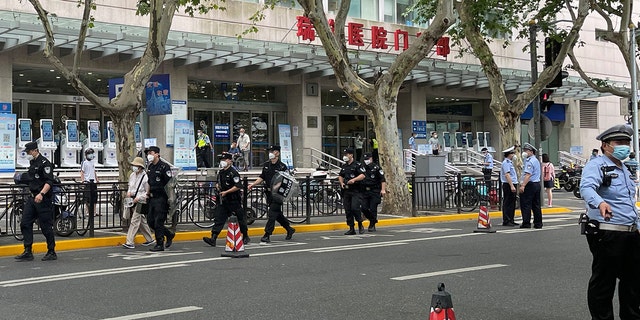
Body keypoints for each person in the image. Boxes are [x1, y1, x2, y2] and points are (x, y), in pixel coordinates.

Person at [579, 124, 640, 320]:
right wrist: (600, 202)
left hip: (630, 232)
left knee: (633, 281)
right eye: (619, 142)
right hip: (608, 231)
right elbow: (586, 188)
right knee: (604, 282)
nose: (624, 146)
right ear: (605, 145)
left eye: (626, 143)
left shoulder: (625, 168)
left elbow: (629, 201)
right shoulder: (597, 165)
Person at [15, 141, 57, 261]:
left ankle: (51, 251)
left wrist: (42, 194)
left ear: (34, 150)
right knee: (25, 223)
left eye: (28, 152)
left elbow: (49, 181)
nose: (27, 154)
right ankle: (28, 250)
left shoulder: (45, 163)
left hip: (42, 199)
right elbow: (31, 178)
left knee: (45, 227)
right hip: (32, 198)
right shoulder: (32, 163)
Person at [248, 145, 295, 243]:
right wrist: (253, 184)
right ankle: (289, 229)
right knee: (277, 214)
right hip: (268, 193)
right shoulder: (266, 165)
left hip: (278, 194)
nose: (270, 153)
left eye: (272, 151)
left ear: (277, 153)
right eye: (269, 151)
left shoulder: (282, 166)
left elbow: (286, 180)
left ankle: (267, 234)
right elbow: (262, 177)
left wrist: (277, 185)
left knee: (272, 214)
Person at [203, 153, 250, 246]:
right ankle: (213, 238)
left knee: (240, 218)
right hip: (223, 200)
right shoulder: (221, 172)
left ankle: (245, 235)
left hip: (233, 200)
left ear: (229, 161)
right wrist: (217, 186)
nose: (222, 162)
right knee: (219, 219)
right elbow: (218, 183)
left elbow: (238, 186)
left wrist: (227, 192)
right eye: (222, 160)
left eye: (224, 160)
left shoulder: (233, 173)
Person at [144, 146, 175, 252]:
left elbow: (170, 184)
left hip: (161, 198)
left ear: (157, 154)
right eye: (148, 153)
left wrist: (170, 199)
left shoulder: (164, 167)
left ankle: (160, 243)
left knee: (158, 221)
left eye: (151, 153)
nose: (149, 155)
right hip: (152, 197)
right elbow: (149, 181)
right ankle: (169, 234)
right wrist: (147, 193)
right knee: (151, 222)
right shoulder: (150, 167)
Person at [122, 157, 155, 249]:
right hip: (132, 199)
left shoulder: (145, 177)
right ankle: (150, 239)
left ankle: (130, 241)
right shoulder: (132, 175)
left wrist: (139, 197)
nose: (134, 167)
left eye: (136, 166)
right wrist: (129, 193)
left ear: (140, 167)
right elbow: (130, 186)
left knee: (135, 220)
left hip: (141, 200)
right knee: (142, 221)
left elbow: (147, 192)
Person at [338, 148, 366, 234]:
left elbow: (362, 175)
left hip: (356, 190)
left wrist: (354, 180)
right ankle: (351, 228)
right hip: (346, 191)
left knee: (355, 208)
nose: (345, 156)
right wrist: (341, 183)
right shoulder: (344, 166)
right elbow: (341, 175)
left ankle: (360, 224)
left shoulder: (357, 165)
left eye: (346, 155)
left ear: (351, 155)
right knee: (348, 209)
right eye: (344, 155)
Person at [519, 143, 542, 229]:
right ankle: (538, 223)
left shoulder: (530, 161)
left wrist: (523, 186)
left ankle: (526, 223)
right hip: (536, 184)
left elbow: (528, 175)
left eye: (526, 151)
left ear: (531, 152)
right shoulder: (534, 160)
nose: (524, 152)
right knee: (536, 205)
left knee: (526, 204)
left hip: (530, 185)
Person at [360, 153, 386, 232]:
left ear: (371, 158)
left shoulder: (376, 168)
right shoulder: (362, 168)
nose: (366, 161)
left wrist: (383, 189)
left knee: (373, 208)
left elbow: (382, 179)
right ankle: (373, 219)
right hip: (365, 191)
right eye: (365, 159)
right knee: (364, 208)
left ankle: (372, 224)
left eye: (367, 159)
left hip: (374, 190)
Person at [499, 146, 518, 227]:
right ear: (509, 154)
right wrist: (512, 186)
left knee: (512, 203)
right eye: (512, 153)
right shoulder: (506, 163)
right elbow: (507, 175)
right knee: (508, 203)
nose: (514, 155)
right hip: (508, 184)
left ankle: (511, 219)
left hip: (512, 183)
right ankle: (506, 220)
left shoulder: (510, 162)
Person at [80, 148, 99, 217]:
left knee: (94, 198)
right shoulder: (84, 163)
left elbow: (94, 171)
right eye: (89, 154)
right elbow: (82, 172)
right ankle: (87, 212)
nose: (91, 155)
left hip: (93, 182)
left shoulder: (92, 162)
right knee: (87, 198)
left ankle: (94, 211)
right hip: (87, 182)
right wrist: (83, 181)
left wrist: (96, 178)